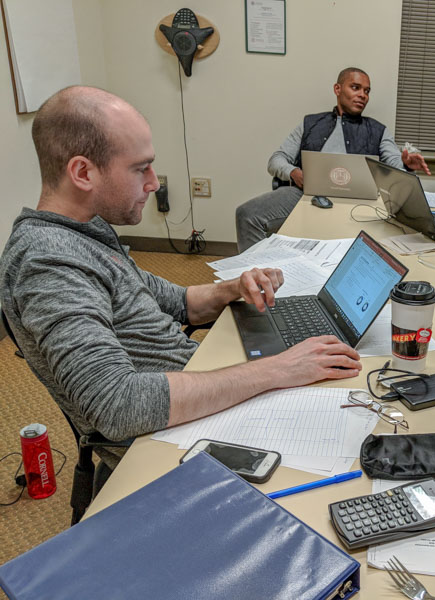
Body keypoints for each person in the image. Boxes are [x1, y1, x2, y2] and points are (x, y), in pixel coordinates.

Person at [0, 86, 362, 467]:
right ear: (83, 172)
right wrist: (278, 369)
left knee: (350, 389)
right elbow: (117, 405)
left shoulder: (85, 230)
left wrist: (233, 288)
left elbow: (176, 302)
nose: (154, 183)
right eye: (141, 168)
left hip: (196, 393)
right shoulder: (49, 261)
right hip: (166, 438)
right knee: (352, 447)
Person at [235, 67, 430, 251]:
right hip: (306, 195)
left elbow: (395, 166)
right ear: (337, 89)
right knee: (247, 214)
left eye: (367, 91)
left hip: (360, 202)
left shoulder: (378, 131)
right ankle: (255, 279)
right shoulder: (310, 124)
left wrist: (406, 165)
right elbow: (276, 160)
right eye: (355, 87)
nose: (363, 95)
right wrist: (293, 173)